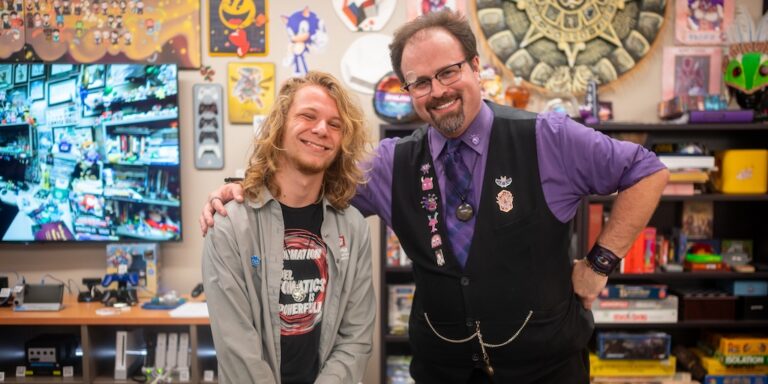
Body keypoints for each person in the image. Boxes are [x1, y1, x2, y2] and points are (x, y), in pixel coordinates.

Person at [200, 10, 669, 383]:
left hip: (546, 367)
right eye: (420, 82)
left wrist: (599, 264)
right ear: (408, 91)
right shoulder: (389, 163)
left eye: (448, 72)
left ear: (475, 68)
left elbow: (647, 172)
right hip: (440, 368)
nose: (437, 91)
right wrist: (244, 188)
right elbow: (308, 176)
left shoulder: (549, 136)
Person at [201, 71, 376, 384]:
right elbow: (237, 349)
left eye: (335, 124)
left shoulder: (354, 228)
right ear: (279, 127)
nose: (322, 129)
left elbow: (356, 338)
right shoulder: (229, 226)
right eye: (308, 116)